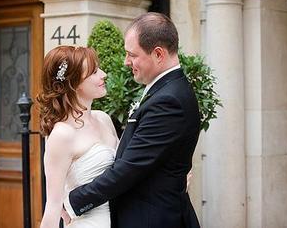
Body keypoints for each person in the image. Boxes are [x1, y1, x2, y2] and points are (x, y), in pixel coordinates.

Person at [64, 12, 201, 228]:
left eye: (132, 55)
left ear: (158, 54)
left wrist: (73, 202)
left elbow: (129, 168)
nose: (126, 62)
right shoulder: (165, 90)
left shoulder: (168, 100)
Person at [37, 46, 118, 228]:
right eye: (94, 71)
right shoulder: (62, 134)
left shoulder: (104, 119)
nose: (103, 74)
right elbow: (53, 204)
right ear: (74, 83)